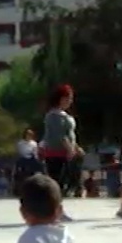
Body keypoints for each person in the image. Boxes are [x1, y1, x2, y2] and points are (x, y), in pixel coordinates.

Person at [41, 84, 78, 221]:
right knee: (57, 183)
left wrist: (75, 147)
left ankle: (56, 210)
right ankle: (54, 211)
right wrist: (69, 148)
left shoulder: (63, 115)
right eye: (69, 98)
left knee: (61, 183)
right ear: (62, 99)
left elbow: (69, 134)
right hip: (55, 153)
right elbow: (60, 135)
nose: (70, 101)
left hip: (64, 153)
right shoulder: (54, 116)